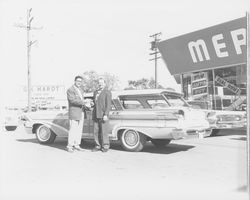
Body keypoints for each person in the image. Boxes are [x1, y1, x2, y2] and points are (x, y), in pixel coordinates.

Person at [66, 75, 87, 153]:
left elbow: (80, 100)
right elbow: (72, 100)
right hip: (74, 112)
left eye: (80, 81)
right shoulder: (70, 90)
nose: (79, 83)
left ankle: (77, 145)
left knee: (79, 130)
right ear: (74, 81)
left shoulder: (81, 90)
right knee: (73, 130)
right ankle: (70, 146)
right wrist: (84, 103)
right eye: (78, 81)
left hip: (81, 112)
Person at [92, 77, 112, 152]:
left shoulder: (107, 92)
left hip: (103, 115)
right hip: (95, 115)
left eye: (102, 83)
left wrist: (106, 114)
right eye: (99, 83)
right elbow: (95, 103)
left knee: (104, 131)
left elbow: (108, 104)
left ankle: (105, 146)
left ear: (105, 84)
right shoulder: (95, 92)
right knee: (96, 131)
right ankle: (97, 146)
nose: (100, 84)